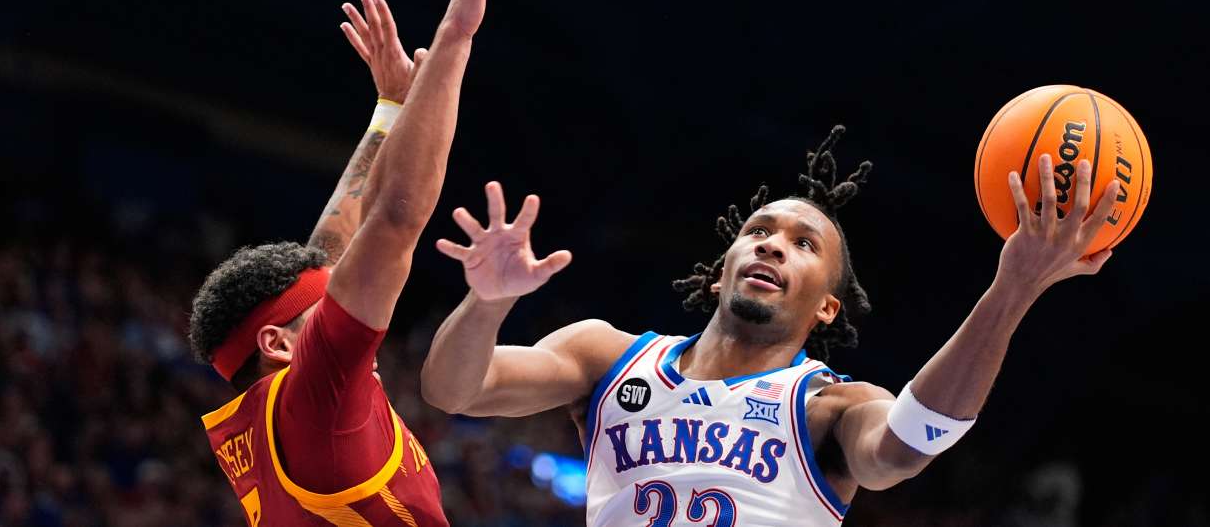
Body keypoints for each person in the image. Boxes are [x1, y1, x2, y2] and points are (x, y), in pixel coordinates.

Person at [420, 125, 1119, 526]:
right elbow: (455, 390)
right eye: (758, 232)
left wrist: (1012, 289)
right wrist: (487, 302)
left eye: (803, 244)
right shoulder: (606, 356)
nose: (773, 246)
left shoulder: (828, 408)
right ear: (719, 270)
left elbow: (908, 446)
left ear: (826, 307)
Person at [188, 0, 487, 527]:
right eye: (320, 311)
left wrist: (391, 109)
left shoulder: (278, 413)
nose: (339, 302)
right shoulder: (316, 405)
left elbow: (332, 252)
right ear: (278, 343)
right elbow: (395, 219)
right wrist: (455, 41)